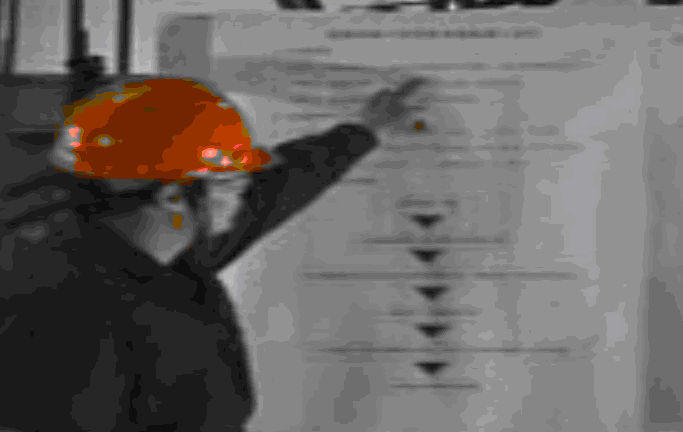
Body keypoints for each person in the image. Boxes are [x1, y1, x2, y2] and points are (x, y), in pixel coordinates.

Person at [0, 75, 427, 432]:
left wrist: (364, 132)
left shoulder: (167, 254)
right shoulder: (64, 316)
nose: (241, 195)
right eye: (229, 183)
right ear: (171, 196)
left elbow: (275, 189)